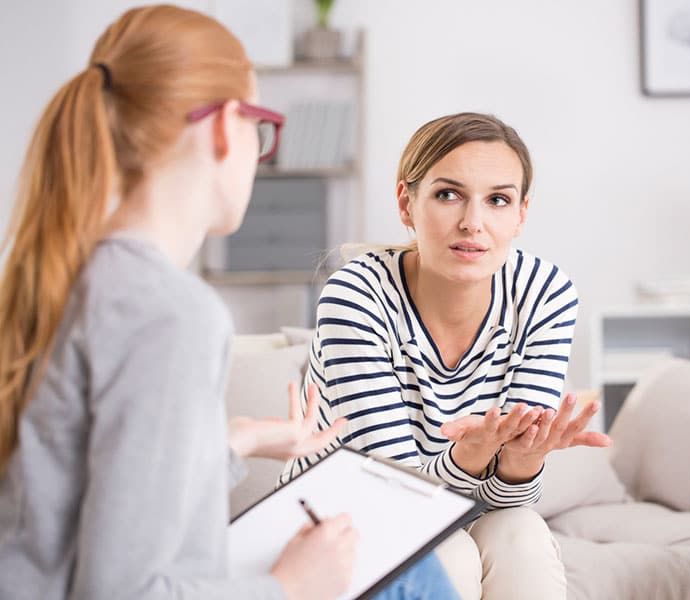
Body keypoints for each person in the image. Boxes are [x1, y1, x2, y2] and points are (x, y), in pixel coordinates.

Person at [0, 6, 456, 600]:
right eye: (261, 126)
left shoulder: (67, 276)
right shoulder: (168, 312)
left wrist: (236, 439)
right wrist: (292, 587)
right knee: (408, 573)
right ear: (225, 127)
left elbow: (91, 497)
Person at [281, 112, 613, 599]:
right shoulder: (357, 294)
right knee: (450, 552)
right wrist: (472, 455)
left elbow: (512, 500)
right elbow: (394, 494)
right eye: (448, 194)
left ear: (520, 214)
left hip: (456, 509)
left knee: (521, 534)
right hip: (338, 519)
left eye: (497, 200)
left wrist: (521, 460)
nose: (472, 223)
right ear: (406, 203)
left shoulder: (544, 293)